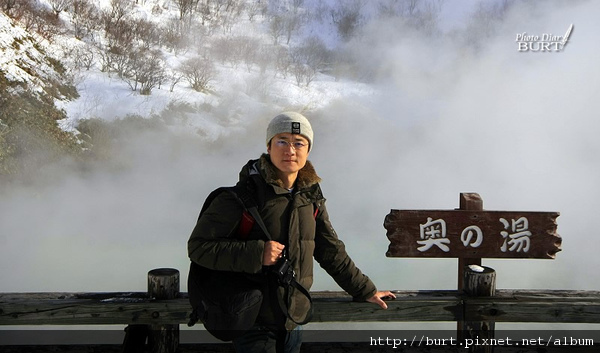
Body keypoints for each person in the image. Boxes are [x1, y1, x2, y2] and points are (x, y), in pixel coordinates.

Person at [187, 111, 395, 353]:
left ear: (308, 150)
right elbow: (199, 247)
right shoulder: (240, 197)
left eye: (299, 143)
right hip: (251, 318)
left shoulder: (310, 197)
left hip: (293, 319)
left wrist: (364, 290)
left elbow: (330, 249)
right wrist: (257, 254)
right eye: (282, 141)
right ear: (268, 146)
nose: (290, 150)